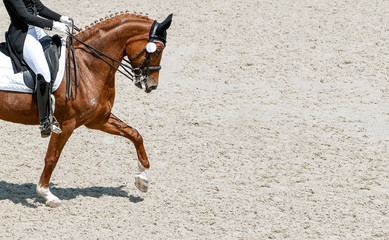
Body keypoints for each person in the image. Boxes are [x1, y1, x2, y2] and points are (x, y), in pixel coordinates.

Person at [3, 0, 73, 137]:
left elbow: (38, 7)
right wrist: (53, 25)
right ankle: (45, 121)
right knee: (44, 72)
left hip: (36, 30)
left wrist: (60, 18)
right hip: (23, 34)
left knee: (58, 52)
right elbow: (24, 16)